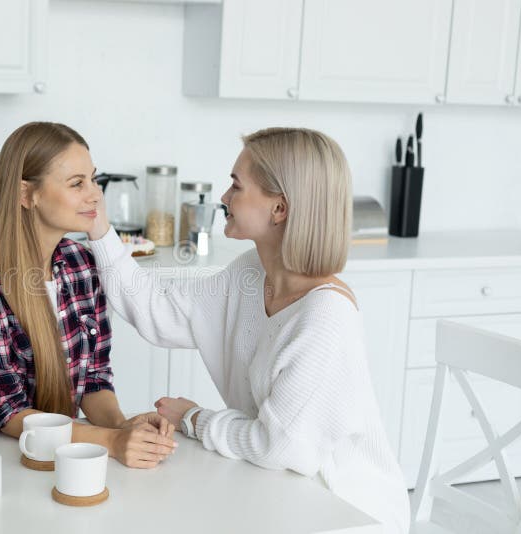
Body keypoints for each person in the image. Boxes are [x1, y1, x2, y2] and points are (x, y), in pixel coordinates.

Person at [86, 128, 410, 531]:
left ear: (280, 209)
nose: (224, 198)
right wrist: (99, 229)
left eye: (236, 186)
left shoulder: (325, 317)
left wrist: (195, 418)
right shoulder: (250, 273)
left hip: (346, 511)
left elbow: (278, 447)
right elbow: (160, 314)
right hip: (277, 488)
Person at [0, 121, 177, 468]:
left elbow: (93, 378)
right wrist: (112, 440)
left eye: (93, 179)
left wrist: (123, 426)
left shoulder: (81, 264)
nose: (95, 194)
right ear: (26, 195)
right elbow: (8, 414)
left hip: (58, 453)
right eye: (76, 183)